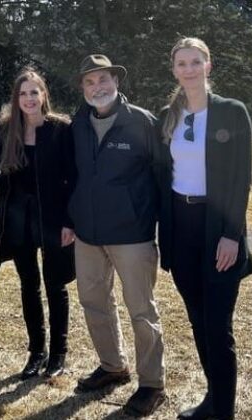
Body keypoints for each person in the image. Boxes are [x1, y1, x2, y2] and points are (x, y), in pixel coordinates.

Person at [156, 37, 252, 420]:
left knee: (217, 326)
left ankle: (224, 412)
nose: (189, 70)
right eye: (182, 63)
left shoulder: (232, 112)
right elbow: (163, 174)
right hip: (182, 230)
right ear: (175, 69)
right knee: (197, 320)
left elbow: (240, 178)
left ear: (208, 66)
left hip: (219, 231)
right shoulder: (170, 115)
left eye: (195, 62)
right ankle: (213, 401)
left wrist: (232, 234)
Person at [68, 54, 166, 417]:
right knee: (94, 302)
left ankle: (152, 384)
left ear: (116, 82)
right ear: (82, 88)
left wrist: (157, 225)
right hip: (88, 234)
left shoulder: (141, 122)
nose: (98, 88)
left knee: (141, 310)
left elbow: (163, 178)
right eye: (90, 82)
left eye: (104, 80)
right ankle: (112, 366)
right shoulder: (78, 123)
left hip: (132, 235)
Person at [0, 69, 76, 380]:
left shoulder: (60, 129)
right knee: (30, 286)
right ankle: (36, 351)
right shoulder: (6, 130)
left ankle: (58, 353)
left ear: (44, 95)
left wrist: (70, 221)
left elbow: (74, 177)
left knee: (56, 284)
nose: (28, 98)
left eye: (34, 92)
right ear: (16, 98)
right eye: (23, 93)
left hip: (53, 218)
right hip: (19, 220)